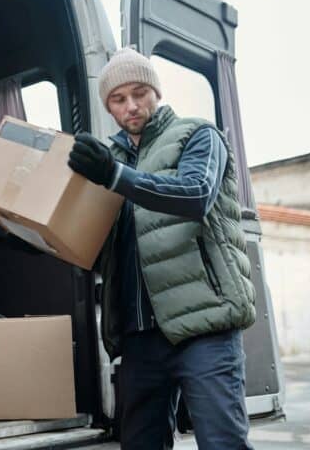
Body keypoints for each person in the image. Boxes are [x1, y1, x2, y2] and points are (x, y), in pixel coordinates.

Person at [68, 47, 256, 449]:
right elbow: (95, 238)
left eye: (139, 93)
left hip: (204, 326)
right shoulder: (109, 157)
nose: (131, 106)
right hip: (139, 337)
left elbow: (195, 195)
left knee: (222, 443)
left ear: (156, 91)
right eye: (118, 99)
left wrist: (116, 175)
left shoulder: (199, 134)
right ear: (108, 106)